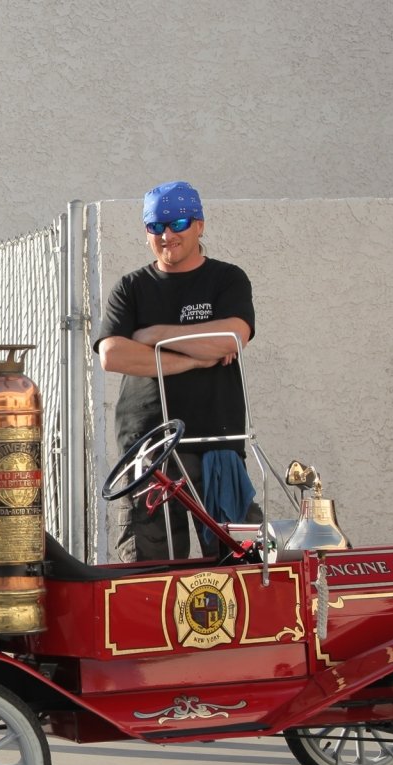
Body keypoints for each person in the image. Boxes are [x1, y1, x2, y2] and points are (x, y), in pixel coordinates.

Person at [95, 180, 259, 562]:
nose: (168, 235)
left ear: (199, 224)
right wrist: (193, 358)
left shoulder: (227, 279)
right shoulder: (131, 288)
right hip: (148, 448)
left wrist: (154, 336)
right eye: (156, 226)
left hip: (217, 445)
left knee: (239, 562)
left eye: (178, 222)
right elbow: (113, 355)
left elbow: (231, 339)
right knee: (149, 571)